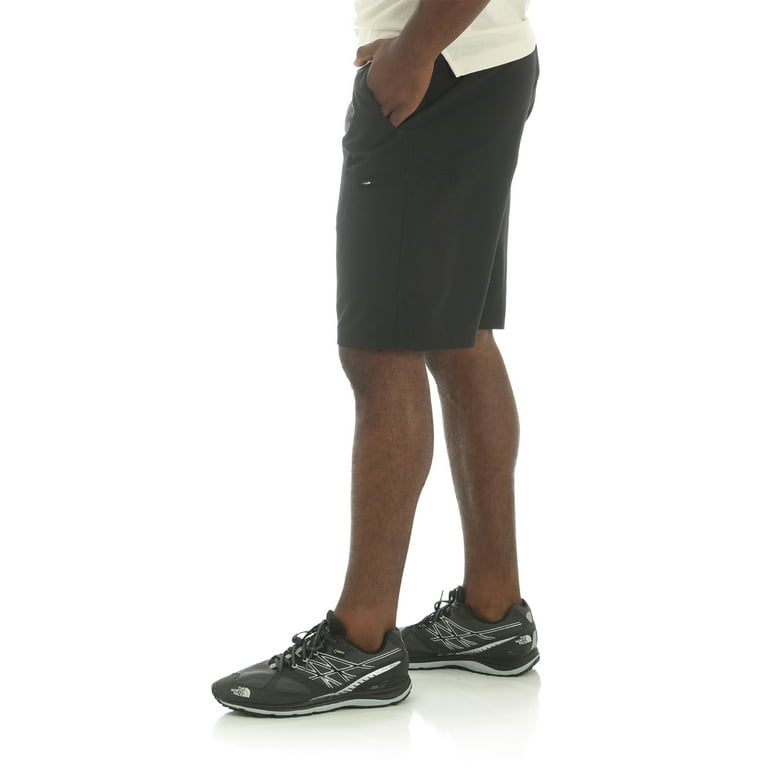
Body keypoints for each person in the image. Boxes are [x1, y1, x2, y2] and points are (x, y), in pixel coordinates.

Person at [212, 0, 541, 717]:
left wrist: (413, 52)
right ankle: (491, 612)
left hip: (439, 68)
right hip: (476, 62)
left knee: (382, 348)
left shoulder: (427, 62)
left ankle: (361, 641)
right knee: (458, 334)